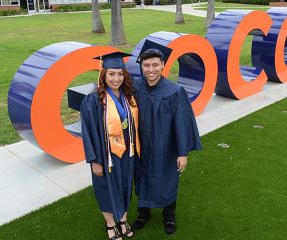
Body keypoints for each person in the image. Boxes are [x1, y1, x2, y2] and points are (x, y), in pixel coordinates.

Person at [131, 40, 202, 235]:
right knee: (142, 177)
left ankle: (169, 216)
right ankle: (143, 213)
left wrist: (182, 152)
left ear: (163, 65)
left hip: (165, 146)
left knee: (167, 178)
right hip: (141, 145)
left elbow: (182, 123)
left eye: (155, 65)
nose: (151, 69)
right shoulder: (135, 86)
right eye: (146, 65)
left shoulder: (175, 91)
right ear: (141, 66)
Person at [80, 51, 140, 240]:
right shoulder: (94, 100)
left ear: (125, 75)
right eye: (111, 74)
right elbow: (87, 131)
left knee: (124, 185)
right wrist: (94, 161)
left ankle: (122, 219)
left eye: (120, 74)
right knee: (105, 187)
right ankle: (110, 224)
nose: (116, 78)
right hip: (105, 155)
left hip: (127, 152)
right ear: (103, 74)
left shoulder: (129, 96)